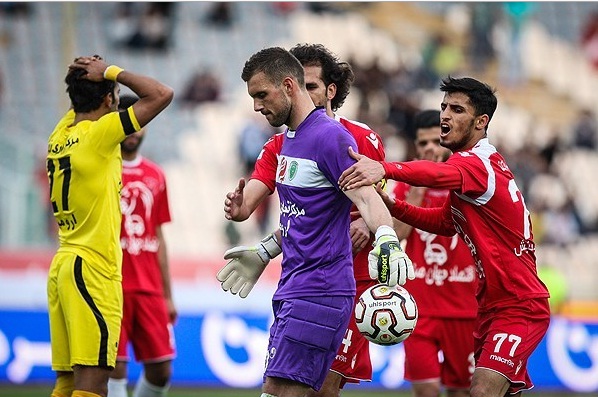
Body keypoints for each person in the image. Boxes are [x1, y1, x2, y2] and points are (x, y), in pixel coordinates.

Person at [338, 76, 550, 397]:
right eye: (444, 107)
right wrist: (392, 204)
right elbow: (443, 222)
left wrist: (384, 168)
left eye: (457, 109)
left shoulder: (477, 164)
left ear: (481, 122)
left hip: (518, 304)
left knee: (479, 391)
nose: (445, 116)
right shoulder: (472, 169)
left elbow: (435, 173)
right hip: (490, 305)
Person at [223, 46, 413, 397]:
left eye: (261, 95)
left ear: (288, 86)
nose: (256, 106)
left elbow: (370, 197)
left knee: (294, 391)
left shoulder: (330, 137)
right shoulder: (286, 143)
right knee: (281, 390)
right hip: (293, 286)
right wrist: (264, 247)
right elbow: (303, 214)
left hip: (322, 288)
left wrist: (386, 238)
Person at [46, 55, 173, 397]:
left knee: (68, 382)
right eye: (114, 94)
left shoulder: (60, 134)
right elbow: (161, 94)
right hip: (93, 269)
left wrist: (87, 80)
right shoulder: (101, 134)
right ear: (109, 100)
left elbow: (80, 102)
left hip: (63, 266)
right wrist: (111, 72)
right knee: (94, 384)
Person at [388, 110, 477, 397]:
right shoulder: (405, 185)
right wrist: (417, 191)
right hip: (418, 309)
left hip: (463, 307)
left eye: (434, 141)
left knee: (461, 392)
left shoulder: (468, 182)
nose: (429, 148)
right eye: (422, 143)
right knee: (426, 390)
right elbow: (397, 235)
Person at [107, 95, 176, 397]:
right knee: (114, 367)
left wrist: (168, 295)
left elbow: (159, 237)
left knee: (161, 370)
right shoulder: (103, 168)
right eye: (128, 121)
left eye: (139, 123)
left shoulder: (156, 175)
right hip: (111, 284)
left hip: (149, 288)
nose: (134, 130)